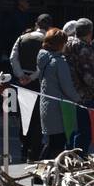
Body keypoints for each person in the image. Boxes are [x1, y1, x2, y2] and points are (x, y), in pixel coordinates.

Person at [10, 13, 53, 163]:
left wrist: (21, 75)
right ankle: (34, 150)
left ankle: (24, 147)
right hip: (39, 83)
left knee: (24, 117)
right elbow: (45, 63)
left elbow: (13, 57)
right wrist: (33, 77)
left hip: (22, 82)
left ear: (36, 23)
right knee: (38, 119)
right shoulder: (48, 40)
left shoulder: (23, 38)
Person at [37, 29, 81, 159]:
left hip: (46, 105)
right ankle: (41, 176)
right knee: (57, 145)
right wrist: (78, 99)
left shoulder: (43, 59)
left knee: (51, 142)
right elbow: (67, 86)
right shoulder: (58, 62)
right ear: (60, 44)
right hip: (59, 108)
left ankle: (40, 176)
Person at [62, 18, 94, 154]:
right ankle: (78, 160)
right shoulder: (84, 49)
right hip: (84, 94)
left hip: (69, 92)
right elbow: (88, 76)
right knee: (84, 132)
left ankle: (71, 157)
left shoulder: (67, 45)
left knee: (73, 129)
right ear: (89, 32)